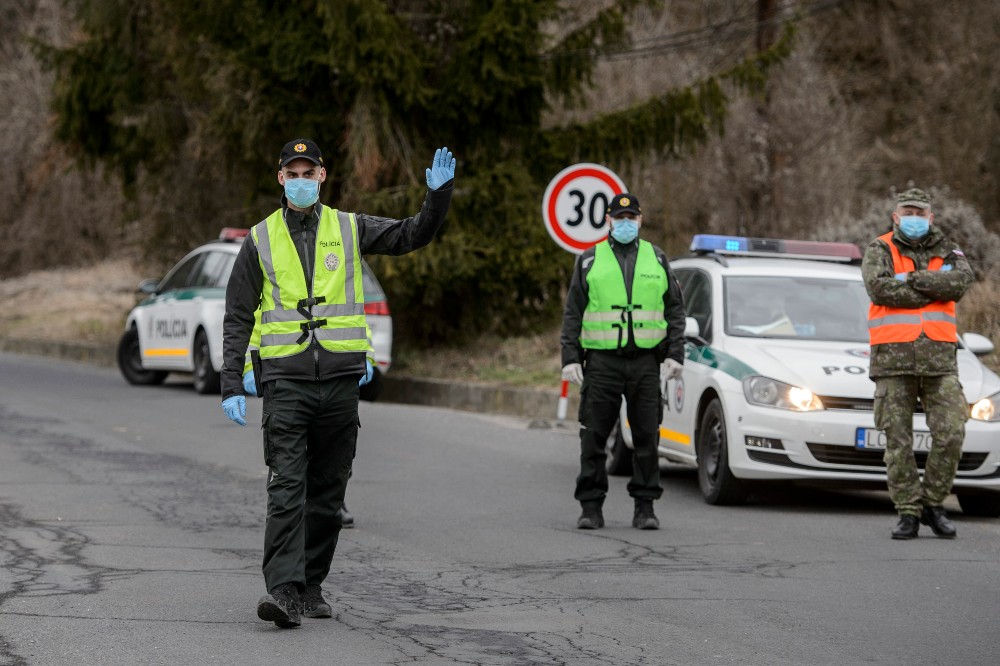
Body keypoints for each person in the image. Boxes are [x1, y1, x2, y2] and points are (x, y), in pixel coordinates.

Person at [221, 139, 455, 627]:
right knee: (287, 488)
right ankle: (283, 591)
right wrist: (231, 382)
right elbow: (238, 315)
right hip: (286, 382)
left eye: (308, 173)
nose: (301, 181)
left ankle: (311, 585)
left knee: (328, 494)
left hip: (340, 382)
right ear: (280, 178)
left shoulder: (349, 227)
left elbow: (410, 235)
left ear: (322, 176)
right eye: (293, 174)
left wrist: (437, 197)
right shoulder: (259, 238)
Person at [560, 193, 686, 530]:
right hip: (602, 363)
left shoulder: (656, 258)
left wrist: (676, 353)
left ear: (640, 220)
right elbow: (573, 312)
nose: (626, 223)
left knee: (647, 438)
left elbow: (675, 309)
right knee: (593, 437)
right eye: (620, 218)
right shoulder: (590, 260)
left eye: (631, 218)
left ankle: (645, 508)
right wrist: (570, 357)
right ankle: (591, 508)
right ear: (609, 221)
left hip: (645, 362)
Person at [862, 187, 974, 540]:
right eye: (907, 213)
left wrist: (910, 279)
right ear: (895, 217)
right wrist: (933, 289)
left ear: (931, 217)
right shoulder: (880, 248)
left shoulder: (949, 249)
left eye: (919, 213)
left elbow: (960, 282)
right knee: (898, 441)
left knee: (952, 432)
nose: (914, 219)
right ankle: (908, 511)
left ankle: (933, 502)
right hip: (893, 362)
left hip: (940, 362)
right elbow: (879, 289)